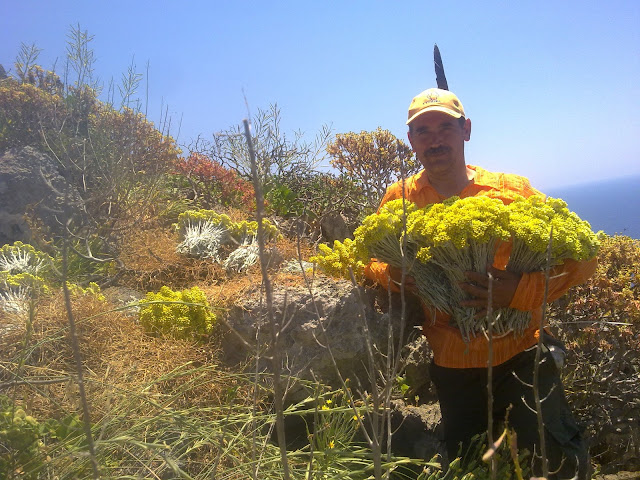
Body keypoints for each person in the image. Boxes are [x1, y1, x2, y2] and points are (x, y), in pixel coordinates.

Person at [365, 88, 596, 479]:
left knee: (553, 461)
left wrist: (518, 291)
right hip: (453, 364)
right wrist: (394, 274)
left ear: (465, 130)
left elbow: (583, 259)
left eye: (444, 128)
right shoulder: (401, 199)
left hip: (521, 354)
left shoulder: (512, 191)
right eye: (423, 131)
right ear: (411, 142)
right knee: (470, 466)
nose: (435, 139)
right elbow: (371, 257)